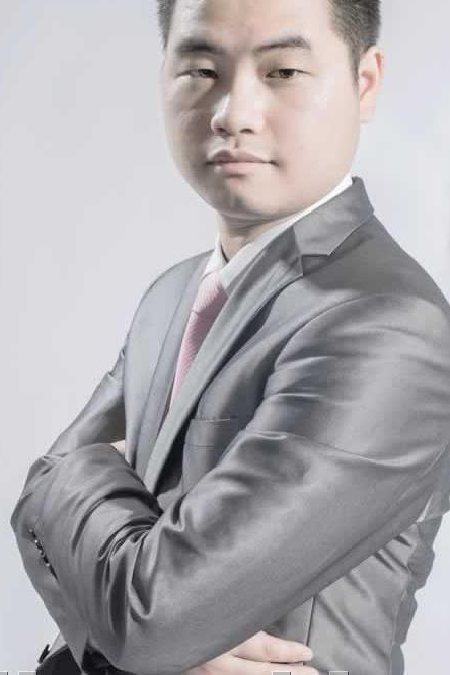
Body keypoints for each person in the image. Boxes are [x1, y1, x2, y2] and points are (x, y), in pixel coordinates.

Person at [10, 1, 450, 674]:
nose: (234, 113)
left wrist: (73, 484)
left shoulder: (387, 324)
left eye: (282, 71)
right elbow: (35, 505)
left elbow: (149, 613)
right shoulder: (170, 296)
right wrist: (122, 629)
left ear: (364, 83)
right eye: (202, 69)